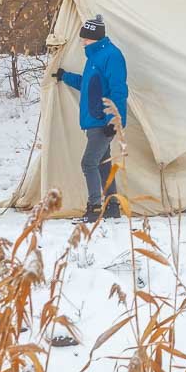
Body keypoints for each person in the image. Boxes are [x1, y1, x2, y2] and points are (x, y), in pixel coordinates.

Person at [54, 14, 129, 222]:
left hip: (103, 121)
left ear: (95, 37)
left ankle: (94, 208)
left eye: (86, 38)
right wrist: (64, 76)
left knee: (88, 163)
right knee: (103, 164)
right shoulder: (93, 58)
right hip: (94, 120)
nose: (83, 42)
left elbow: (119, 90)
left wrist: (115, 122)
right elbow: (87, 86)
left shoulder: (112, 56)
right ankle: (113, 207)